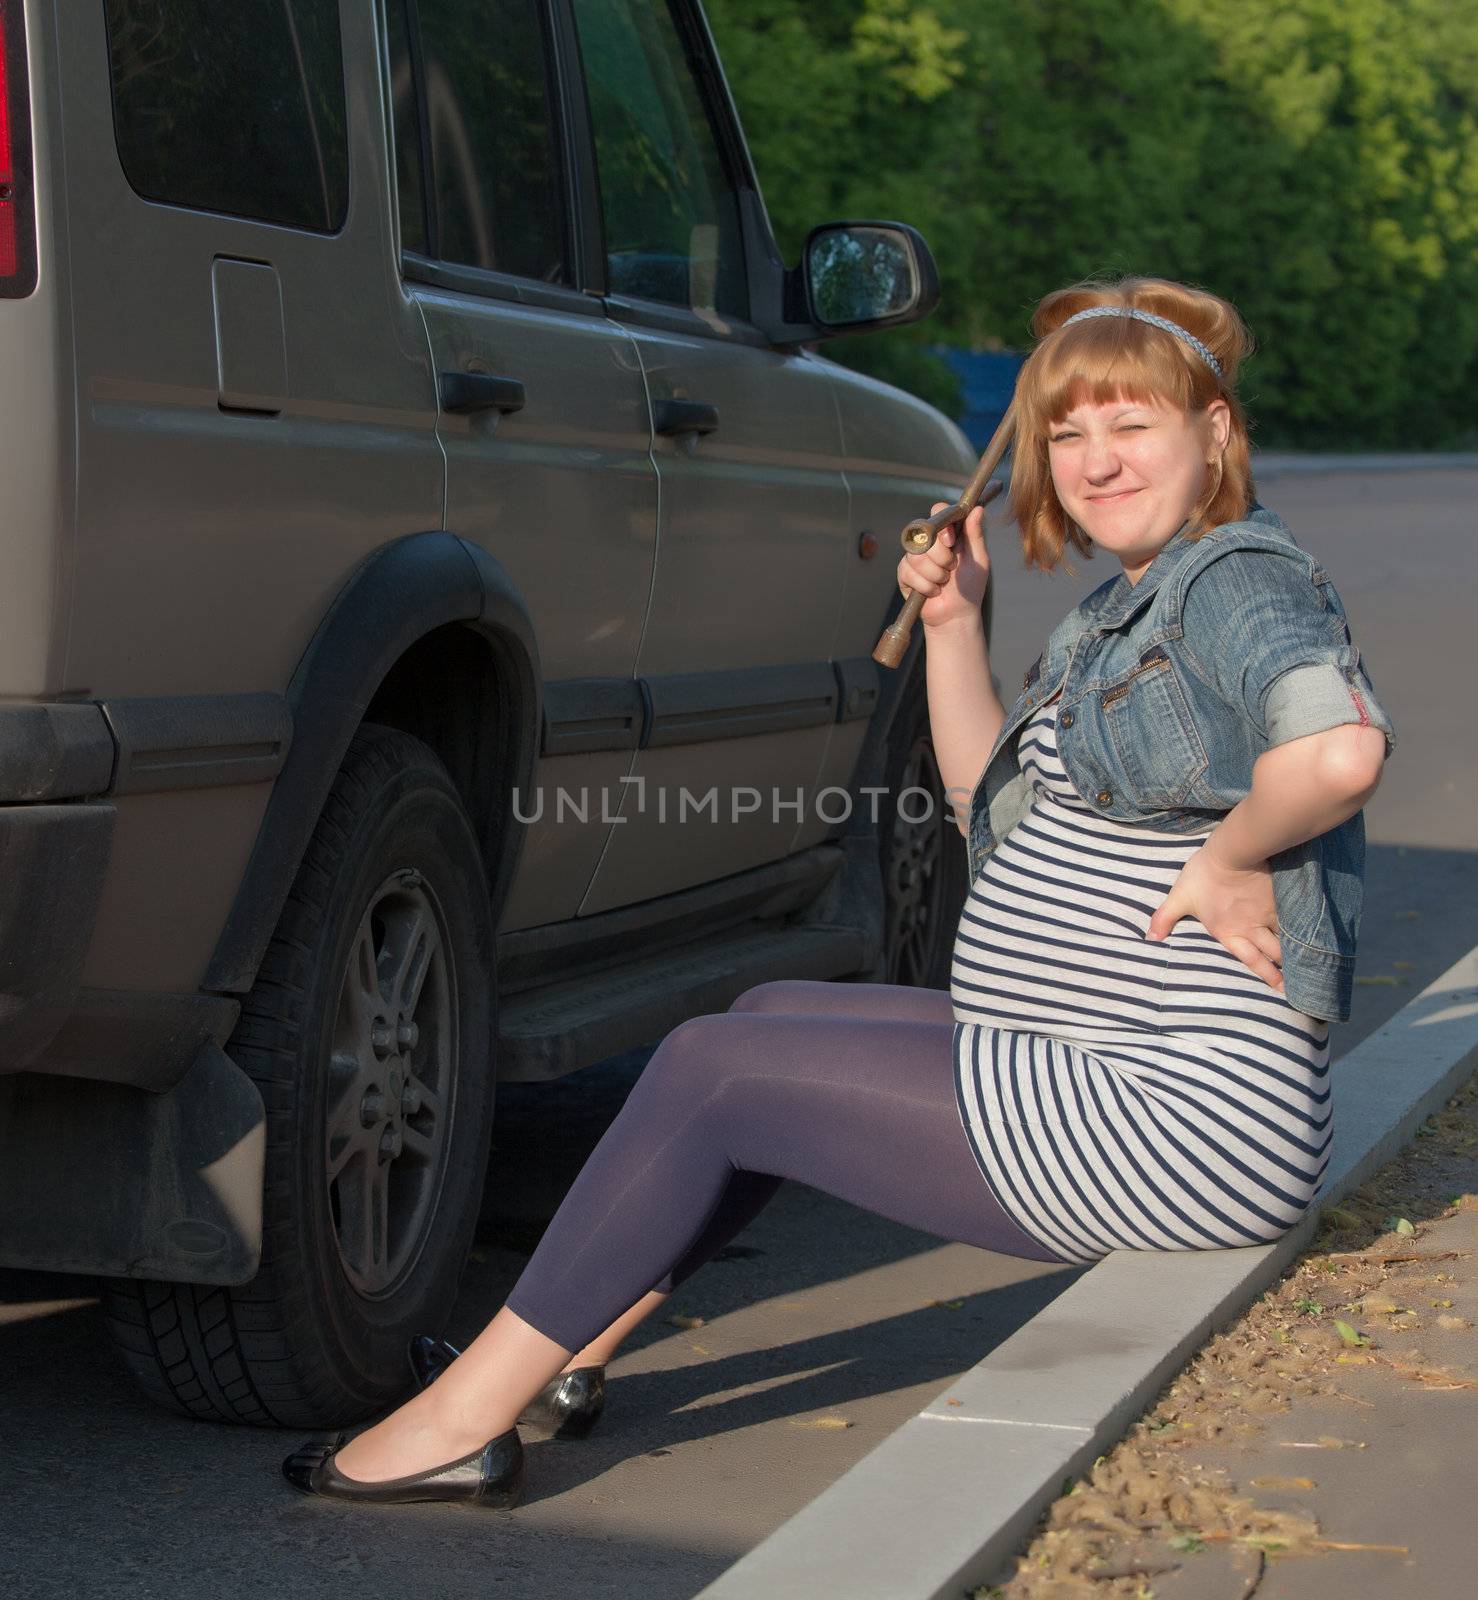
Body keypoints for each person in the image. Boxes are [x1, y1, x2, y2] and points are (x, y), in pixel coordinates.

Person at [282, 275, 1395, 1506]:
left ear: (1215, 433)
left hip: (1175, 1119)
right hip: (1097, 1062)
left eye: (1130, 425)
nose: (1093, 459)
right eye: (1065, 431)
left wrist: (1234, 856)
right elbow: (992, 816)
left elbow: (1337, 751)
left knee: (718, 1071)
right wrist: (953, 629)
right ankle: (564, 1352)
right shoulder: (1125, 606)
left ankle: (460, 1418)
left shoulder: (1235, 579)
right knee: (762, 1019)